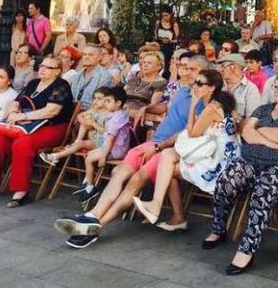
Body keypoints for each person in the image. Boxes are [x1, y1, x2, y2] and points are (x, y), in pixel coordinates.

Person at [53, 55, 209, 248]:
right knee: (119, 172)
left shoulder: (205, 99)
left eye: (192, 69)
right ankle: (91, 215)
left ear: (204, 73)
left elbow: (190, 132)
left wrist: (158, 147)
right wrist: (148, 108)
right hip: (156, 142)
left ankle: (96, 226)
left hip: (171, 148)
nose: (186, 72)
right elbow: (167, 107)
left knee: (136, 180)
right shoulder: (184, 90)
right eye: (185, 68)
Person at [201, 73, 278, 275]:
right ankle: (218, 229)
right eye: (275, 86)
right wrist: (268, 140)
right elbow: (245, 130)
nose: (276, 90)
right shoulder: (264, 109)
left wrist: (259, 129)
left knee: (263, 190)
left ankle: (247, 250)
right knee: (227, 180)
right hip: (253, 160)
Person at [133, 69, 241, 231]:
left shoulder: (212, 107)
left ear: (211, 88)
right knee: (167, 156)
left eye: (200, 83)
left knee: (168, 166)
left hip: (219, 161)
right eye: (195, 82)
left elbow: (192, 132)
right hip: (214, 152)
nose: (195, 86)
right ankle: (161, 207)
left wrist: (192, 104)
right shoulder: (215, 103)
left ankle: (171, 213)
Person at [0, 55, 75, 207]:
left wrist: (22, 115)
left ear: (57, 71)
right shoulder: (33, 83)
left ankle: (21, 191)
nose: (42, 69)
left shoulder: (61, 85)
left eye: (48, 67)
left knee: (22, 143)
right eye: (41, 66)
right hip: (25, 125)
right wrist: (13, 112)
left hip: (52, 127)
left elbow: (51, 111)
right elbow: (16, 102)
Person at [42, 87, 131, 194]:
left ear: (118, 103)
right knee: (89, 157)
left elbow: (111, 138)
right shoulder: (115, 114)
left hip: (115, 150)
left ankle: (89, 187)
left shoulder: (116, 118)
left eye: (108, 101)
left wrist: (103, 156)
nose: (106, 104)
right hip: (109, 147)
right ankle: (88, 184)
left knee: (89, 159)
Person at [125, 51, 168, 131]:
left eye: (149, 63)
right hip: (124, 112)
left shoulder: (161, 83)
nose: (145, 65)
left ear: (159, 66)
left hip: (144, 117)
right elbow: (121, 96)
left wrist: (129, 112)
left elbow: (153, 105)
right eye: (144, 62)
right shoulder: (134, 80)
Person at [216, 53, 262, 120]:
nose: (219, 70)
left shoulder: (251, 89)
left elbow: (252, 121)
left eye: (223, 66)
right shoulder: (218, 85)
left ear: (234, 67)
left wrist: (235, 118)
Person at [71, 45, 114, 110]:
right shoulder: (78, 75)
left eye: (90, 55)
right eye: (84, 54)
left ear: (100, 57)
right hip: (73, 111)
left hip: (92, 114)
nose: (86, 57)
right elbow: (72, 97)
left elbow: (100, 104)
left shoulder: (105, 77)